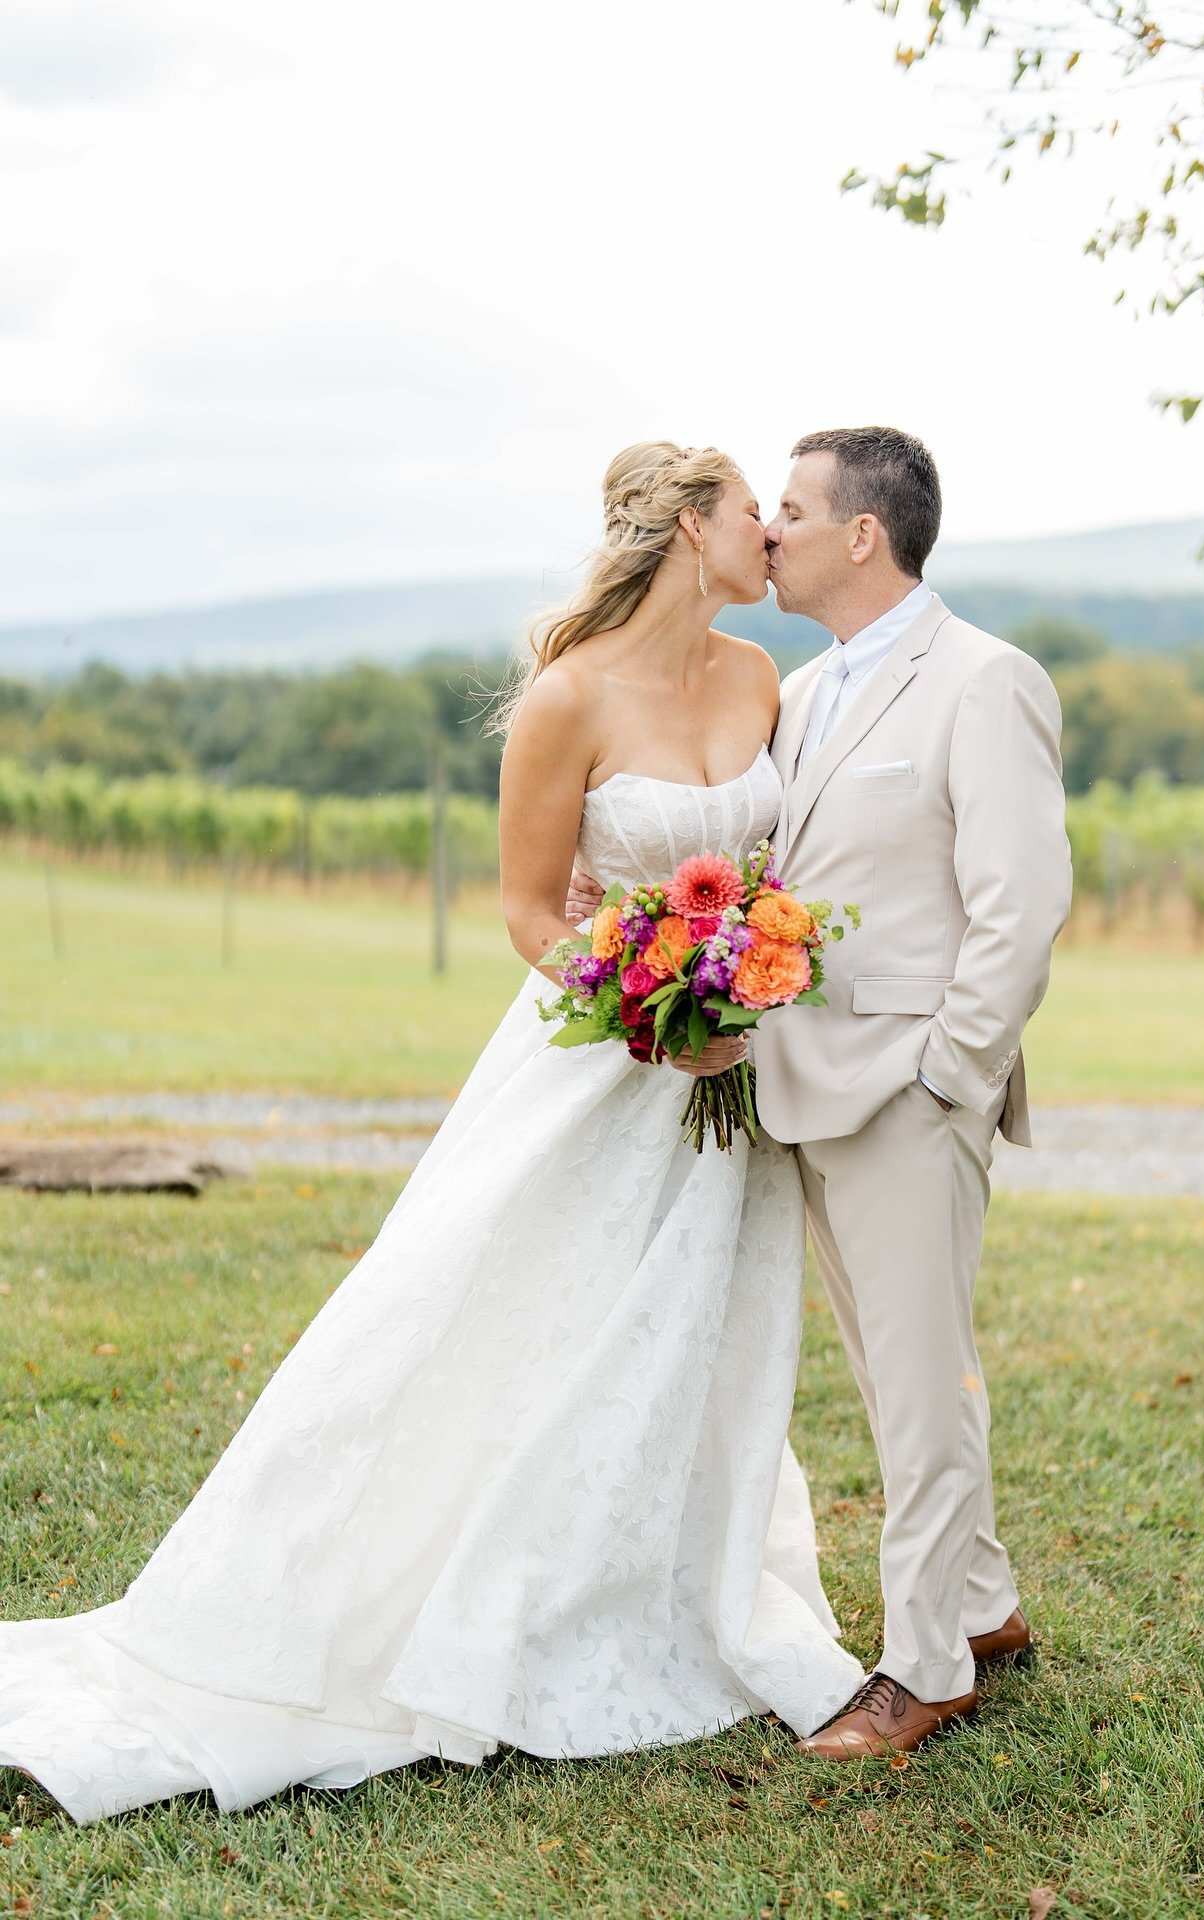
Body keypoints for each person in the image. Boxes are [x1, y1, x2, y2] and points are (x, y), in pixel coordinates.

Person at [0, 441, 865, 1826]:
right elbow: (528, 911)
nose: (770, 529)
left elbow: (771, 869)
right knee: (517, 1319)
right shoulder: (568, 698)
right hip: (601, 1064)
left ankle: (649, 1585)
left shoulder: (760, 677)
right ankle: (455, 1601)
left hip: (730, 1078)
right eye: (749, 509)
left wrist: (744, 983)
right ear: (687, 528)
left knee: (690, 1335)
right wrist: (647, 1008)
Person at [570, 426, 1073, 1758]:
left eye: (791, 509)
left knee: (919, 1381)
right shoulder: (802, 691)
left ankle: (926, 1668)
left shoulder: (985, 681)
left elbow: (1021, 906)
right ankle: (984, 1606)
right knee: (896, 1370)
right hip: (804, 1084)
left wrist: (948, 1075)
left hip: (910, 1092)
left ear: (864, 534)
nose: (770, 530)